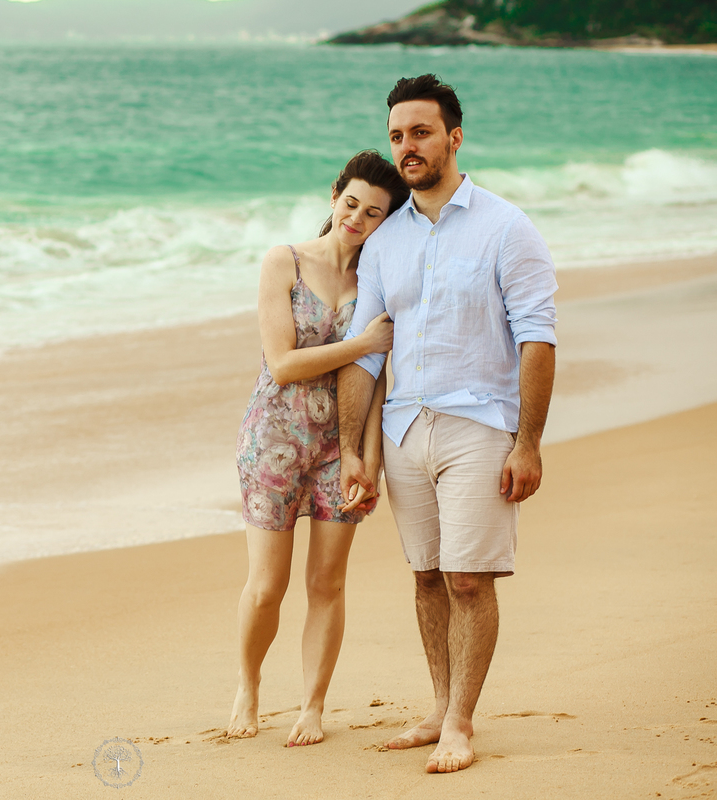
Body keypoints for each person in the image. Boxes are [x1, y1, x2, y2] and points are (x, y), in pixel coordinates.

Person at [336, 74, 557, 774]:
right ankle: (437, 707)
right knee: (427, 575)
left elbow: (538, 338)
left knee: (468, 579)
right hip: (404, 430)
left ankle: (461, 722)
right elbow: (367, 353)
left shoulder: (506, 226)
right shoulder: (384, 241)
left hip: (481, 425)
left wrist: (529, 442)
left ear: (454, 137)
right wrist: (352, 452)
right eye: (397, 135)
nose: (407, 146)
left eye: (421, 132)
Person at [227, 150, 409, 747]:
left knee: (327, 583)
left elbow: (377, 381)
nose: (358, 218)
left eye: (375, 213)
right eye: (352, 203)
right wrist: (361, 341)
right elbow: (281, 365)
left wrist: (371, 461)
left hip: (342, 448)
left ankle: (312, 706)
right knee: (267, 586)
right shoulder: (285, 260)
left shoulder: (376, 283)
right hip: (274, 440)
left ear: (388, 221)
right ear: (335, 196)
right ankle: (249, 685)